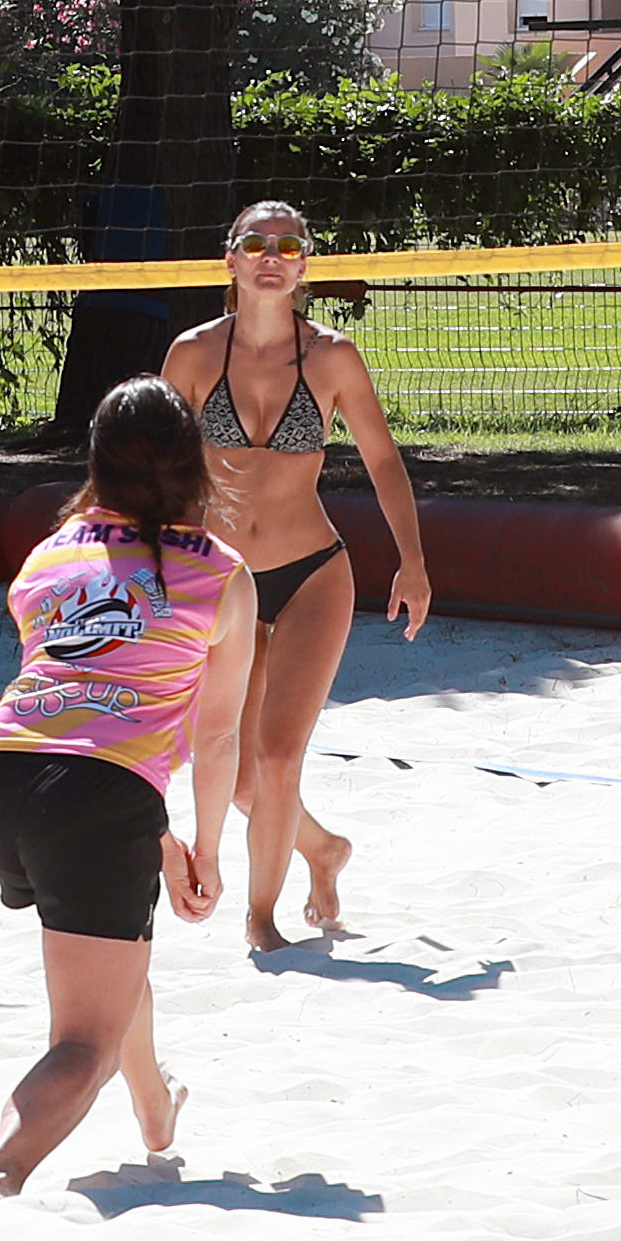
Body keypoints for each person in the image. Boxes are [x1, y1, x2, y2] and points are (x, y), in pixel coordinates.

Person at [0, 375, 255, 1200]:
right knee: (82, 1041)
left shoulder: (46, 558)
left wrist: (157, 844)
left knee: (115, 945)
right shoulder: (223, 577)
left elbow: (80, 711)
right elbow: (217, 732)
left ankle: (157, 1111)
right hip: (90, 796)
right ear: (199, 464)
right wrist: (206, 850)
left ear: (94, 460)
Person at [157, 198, 430, 949]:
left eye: (286, 244)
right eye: (255, 242)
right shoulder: (193, 355)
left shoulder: (333, 356)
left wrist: (411, 560)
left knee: (279, 759)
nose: (270, 255)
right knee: (244, 782)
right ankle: (323, 849)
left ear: (305, 263)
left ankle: (262, 922)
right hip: (223, 585)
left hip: (313, 572)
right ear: (231, 259)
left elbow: (381, 459)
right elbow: (155, 469)